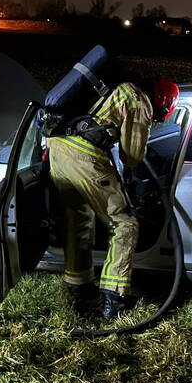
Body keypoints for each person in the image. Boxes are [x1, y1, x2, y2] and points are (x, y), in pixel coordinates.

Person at [47, 75, 179, 318]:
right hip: (83, 155)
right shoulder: (140, 101)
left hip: (58, 148)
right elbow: (132, 156)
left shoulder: (116, 87)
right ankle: (114, 296)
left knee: (79, 220)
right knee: (125, 223)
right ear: (162, 102)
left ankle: (79, 289)